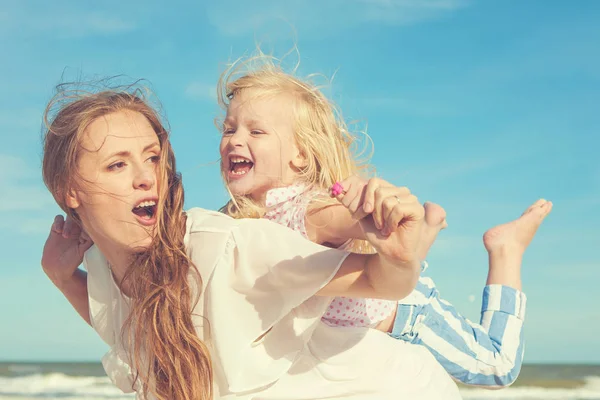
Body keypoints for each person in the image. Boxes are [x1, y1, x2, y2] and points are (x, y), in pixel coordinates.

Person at [41, 86, 462, 399]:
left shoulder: (222, 247)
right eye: (117, 164)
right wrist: (63, 279)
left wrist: (400, 252)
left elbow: (380, 282)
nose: (147, 177)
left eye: (153, 158)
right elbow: (128, 333)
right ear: (69, 192)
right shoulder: (103, 270)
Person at [217, 56, 553, 387]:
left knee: (497, 365)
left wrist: (369, 206)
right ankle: (428, 232)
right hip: (382, 293)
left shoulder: (309, 211)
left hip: (408, 315)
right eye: (229, 129)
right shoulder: (242, 218)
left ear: (301, 154)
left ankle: (507, 249)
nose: (234, 139)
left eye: (256, 131)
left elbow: (354, 221)